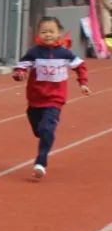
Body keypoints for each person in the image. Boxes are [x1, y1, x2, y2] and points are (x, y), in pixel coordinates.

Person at [13, 16, 91, 179]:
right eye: (44, 31)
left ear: (58, 34)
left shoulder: (65, 54)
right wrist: (19, 74)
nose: (47, 34)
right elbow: (22, 66)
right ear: (38, 34)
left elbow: (80, 66)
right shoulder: (34, 52)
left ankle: (41, 162)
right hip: (35, 99)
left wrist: (83, 83)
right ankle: (45, 136)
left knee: (46, 128)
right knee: (39, 130)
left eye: (51, 31)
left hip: (55, 99)